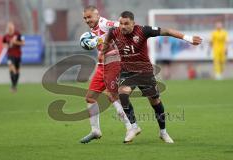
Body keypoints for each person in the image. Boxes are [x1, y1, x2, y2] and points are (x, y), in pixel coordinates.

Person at [103, 11, 202, 143]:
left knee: (155, 102)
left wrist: (188, 38)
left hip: (145, 72)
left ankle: (163, 132)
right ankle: (134, 127)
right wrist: (103, 50)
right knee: (123, 95)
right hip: (127, 71)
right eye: (121, 23)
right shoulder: (114, 31)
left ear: (133, 23)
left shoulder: (143, 31)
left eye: (126, 23)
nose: (123, 26)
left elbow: (167, 31)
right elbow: (108, 37)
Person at [80, 6, 141, 143]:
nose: (87, 20)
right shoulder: (92, 30)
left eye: (89, 17)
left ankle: (131, 127)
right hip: (102, 66)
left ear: (97, 15)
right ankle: (95, 130)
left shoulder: (104, 23)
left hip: (114, 62)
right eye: (85, 18)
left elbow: (120, 26)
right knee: (90, 97)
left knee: (111, 94)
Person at [2, 22, 25, 92]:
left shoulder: (18, 34)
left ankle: (14, 86)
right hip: (10, 55)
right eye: (9, 28)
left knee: (17, 71)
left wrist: (15, 42)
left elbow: (23, 43)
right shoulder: (5, 36)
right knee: (12, 69)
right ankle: (13, 86)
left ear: (13, 27)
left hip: (18, 55)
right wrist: (6, 45)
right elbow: (4, 44)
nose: (10, 29)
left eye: (11, 27)